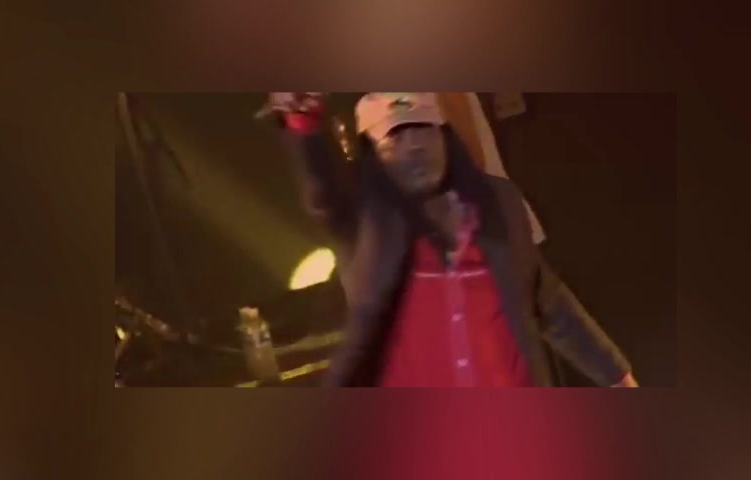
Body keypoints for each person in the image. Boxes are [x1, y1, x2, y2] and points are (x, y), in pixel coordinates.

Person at [270, 92, 638, 387]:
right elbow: (321, 190)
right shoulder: (362, 224)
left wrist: (617, 376)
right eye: (395, 136)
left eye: (424, 129)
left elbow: (547, 301)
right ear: (370, 154)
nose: (415, 146)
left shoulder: (498, 206)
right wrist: (303, 123)